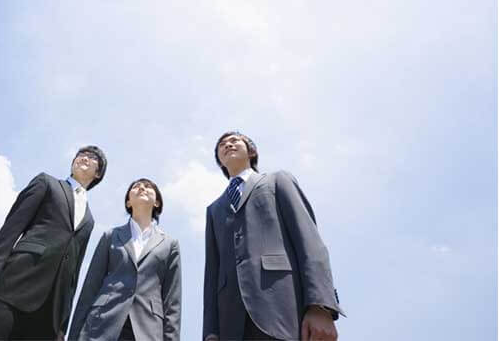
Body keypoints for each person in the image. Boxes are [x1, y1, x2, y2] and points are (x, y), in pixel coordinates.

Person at [203, 132, 343, 341]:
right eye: (222, 144)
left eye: (234, 141)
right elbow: (212, 275)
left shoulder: (278, 181)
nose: (228, 144)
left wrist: (321, 305)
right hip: (230, 324)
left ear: (251, 151)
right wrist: (210, 333)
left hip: (282, 311)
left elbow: (309, 241)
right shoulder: (214, 210)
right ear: (220, 161)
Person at [0, 145, 107, 341]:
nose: (84, 157)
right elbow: (10, 230)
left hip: (48, 315)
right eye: (81, 154)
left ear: (98, 173)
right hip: (12, 288)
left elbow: (74, 272)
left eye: (92, 157)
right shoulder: (46, 183)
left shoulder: (90, 220)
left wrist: (62, 326)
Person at [69, 178, 181, 341]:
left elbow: (172, 302)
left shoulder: (170, 244)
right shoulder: (111, 236)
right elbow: (90, 288)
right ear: (128, 202)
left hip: (148, 330)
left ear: (157, 202)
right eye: (136, 186)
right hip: (102, 324)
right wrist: (73, 336)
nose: (142, 188)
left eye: (148, 186)